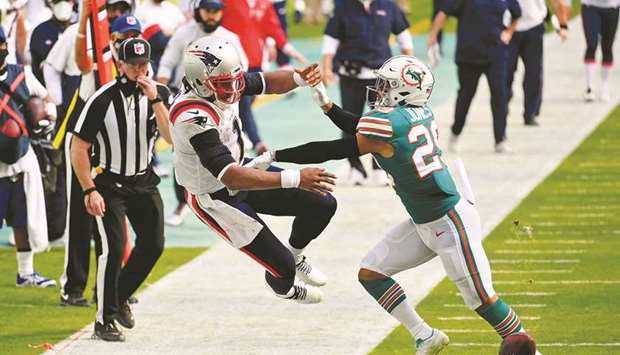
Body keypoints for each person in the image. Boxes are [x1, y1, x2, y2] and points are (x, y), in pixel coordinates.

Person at [254, 55, 537, 354]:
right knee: (371, 273)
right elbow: (361, 132)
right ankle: (425, 335)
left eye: (386, 85)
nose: (379, 90)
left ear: (405, 90)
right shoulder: (416, 114)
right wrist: (327, 107)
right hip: (426, 221)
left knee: (484, 302)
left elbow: (338, 147)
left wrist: (276, 155)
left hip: (449, 221)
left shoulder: (389, 123)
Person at [170, 36, 337, 307]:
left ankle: (296, 254)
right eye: (226, 85)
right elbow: (229, 175)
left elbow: (266, 82)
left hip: (240, 167)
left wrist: (299, 78)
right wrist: (295, 178)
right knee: (282, 267)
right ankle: (285, 288)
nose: (235, 90)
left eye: (235, 81)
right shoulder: (191, 116)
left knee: (323, 203)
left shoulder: (220, 81)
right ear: (200, 81)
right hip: (216, 195)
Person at [70, 38, 171, 342]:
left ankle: (120, 296)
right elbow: (78, 148)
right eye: (134, 64)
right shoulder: (102, 99)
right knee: (112, 250)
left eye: (144, 64)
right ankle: (104, 320)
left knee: (153, 245)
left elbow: (172, 138)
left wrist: (156, 100)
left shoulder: (159, 94)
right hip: (109, 183)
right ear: (120, 64)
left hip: (143, 180)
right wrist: (89, 190)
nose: (140, 69)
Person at [157, 0, 248, 226]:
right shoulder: (183, 34)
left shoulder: (230, 38)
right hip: (187, 99)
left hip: (220, 100)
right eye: (208, 11)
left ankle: (226, 196)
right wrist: (161, 96)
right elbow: (166, 64)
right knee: (181, 152)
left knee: (222, 149)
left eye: (216, 12)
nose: (212, 16)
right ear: (198, 11)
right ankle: (182, 202)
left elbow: (243, 69)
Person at [322, 0, 413, 185]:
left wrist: (409, 67)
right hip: (351, 76)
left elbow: (404, 36)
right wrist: (327, 67)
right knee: (349, 124)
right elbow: (331, 39)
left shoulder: (388, 6)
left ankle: (379, 168)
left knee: (383, 123)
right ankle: (355, 167)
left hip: (381, 77)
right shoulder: (342, 6)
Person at [0, 28, 57, 288]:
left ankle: (26, 273)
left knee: (24, 219)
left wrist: (47, 120)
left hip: (21, 158)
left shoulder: (21, 74)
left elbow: (47, 99)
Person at [429, 0, 521, 154]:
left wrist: (509, 32)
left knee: (499, 95)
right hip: (469, 55)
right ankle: (455, 133)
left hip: (496, 53)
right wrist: (433, 37)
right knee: (466, 96)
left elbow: (517, 14)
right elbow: (444, 13)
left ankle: (500, 139)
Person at [221, 0, 307, 155]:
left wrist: (288, 49)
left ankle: (239, 133)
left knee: (247, 103)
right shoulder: (229, 2)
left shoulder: (263, 4)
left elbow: (273, 28)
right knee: (243, 104)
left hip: (255, 62)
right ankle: (256, 142)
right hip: (234, 64)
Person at [507, 0, 568, 126]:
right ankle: (503, 103)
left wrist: (561, 26)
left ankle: (530, 113)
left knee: (533, 72)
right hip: (509, 28)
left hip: (533, 27)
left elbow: (556, 2)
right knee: (506, 71)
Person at [580, 0, 619, 102]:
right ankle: (590, 87)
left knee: (607, 48)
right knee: (591, 44)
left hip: (611, 7)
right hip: (590, 6)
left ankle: (604, 86)